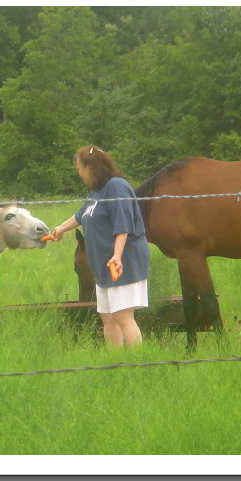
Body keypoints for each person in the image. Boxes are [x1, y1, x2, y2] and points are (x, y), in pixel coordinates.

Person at [51, 146, 149, 348]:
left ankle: (140, 363)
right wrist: (60, 229)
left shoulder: (116, 187)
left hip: (121, 263)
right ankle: (116, 362)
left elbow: (123, 224)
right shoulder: (97, 190)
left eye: (80, 168)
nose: (79, 173)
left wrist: (117, 255)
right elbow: (82, 215)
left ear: (89, 167)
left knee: (123, 316)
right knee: (108, 317)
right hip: (104, 266)